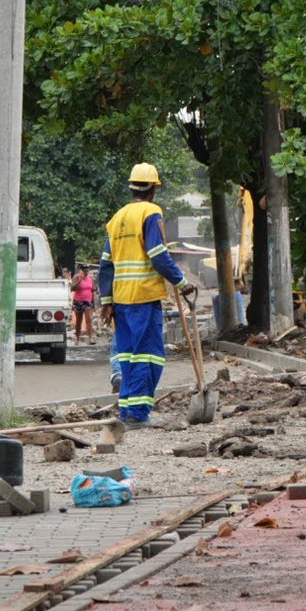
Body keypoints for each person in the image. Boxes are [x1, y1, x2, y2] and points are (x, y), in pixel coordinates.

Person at [98, 162, 195, 427]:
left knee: (128, 357)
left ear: (132, 187)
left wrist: (107, 301)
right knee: (148, 356)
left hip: (121, 300)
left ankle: (127, 413)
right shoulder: (151, 212)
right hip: (143, 297)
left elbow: (105, 264)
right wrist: (182, 281)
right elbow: (157, 254)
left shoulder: (117, 218)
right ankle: (139, 414)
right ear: (153, 188)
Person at [70, 264, 97, 345]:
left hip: (87, 301)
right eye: (84, 271)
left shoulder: (90, 278)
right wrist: (79, 280)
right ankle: (77, 338)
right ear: (81, 270)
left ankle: (90, 338)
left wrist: (95, 290)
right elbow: (72, 288)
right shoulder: (76, 277)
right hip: (78, 301)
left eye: (87, 271)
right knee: (79, 321)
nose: (86, 272)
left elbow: (93, 288)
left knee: (89, 319)